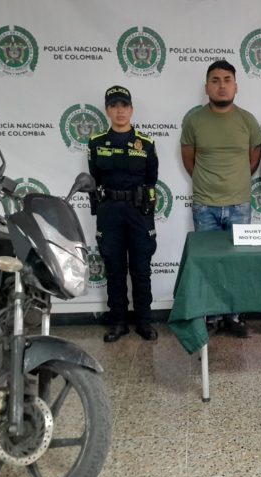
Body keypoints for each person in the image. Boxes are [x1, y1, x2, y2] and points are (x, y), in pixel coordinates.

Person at [180, 60, 261, 338]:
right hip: (205, 205)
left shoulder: (247, 120)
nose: (222, 85)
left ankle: (235, 316)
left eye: (227, 79)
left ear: (236, 86)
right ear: (207, 87)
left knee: (237, 264)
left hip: (239, 204)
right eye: (215, 80)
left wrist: (233, 182)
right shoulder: (194, 120)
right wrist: (210, 184)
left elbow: (253, 161)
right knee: (208, 263)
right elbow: (189, 159)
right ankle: (211, 315)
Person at [88, 85, 159, 342]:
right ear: (107, 110)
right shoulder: (96, 143)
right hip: (109, 212)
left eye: (124, 105)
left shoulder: (146, 144)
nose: (120, 111)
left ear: (131, 109)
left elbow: (152, 178)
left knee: (141, 268)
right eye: (114, 106)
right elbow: (94, 177)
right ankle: (118, 321)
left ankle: (144, 321)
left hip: (138, 212)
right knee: (114, 268)